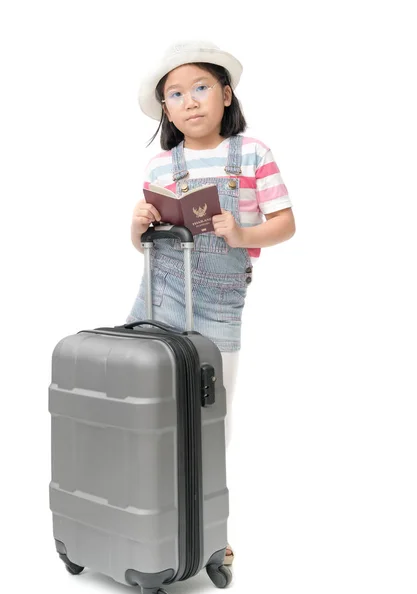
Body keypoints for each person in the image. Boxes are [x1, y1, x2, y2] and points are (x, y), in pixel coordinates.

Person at [127, 40, 296, 566]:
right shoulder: (160, 165)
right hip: (159, 295)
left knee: (209, 416)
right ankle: (148, 520)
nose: (190, 101)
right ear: (166, 110)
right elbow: (144, 248)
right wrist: (137, 230)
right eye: (175, 94)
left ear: (225, 94)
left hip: (220, 303)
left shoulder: (252, 153)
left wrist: (243, 233)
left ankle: (208, 530)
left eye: (201, 88)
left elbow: (286, 224)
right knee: (147, 409)